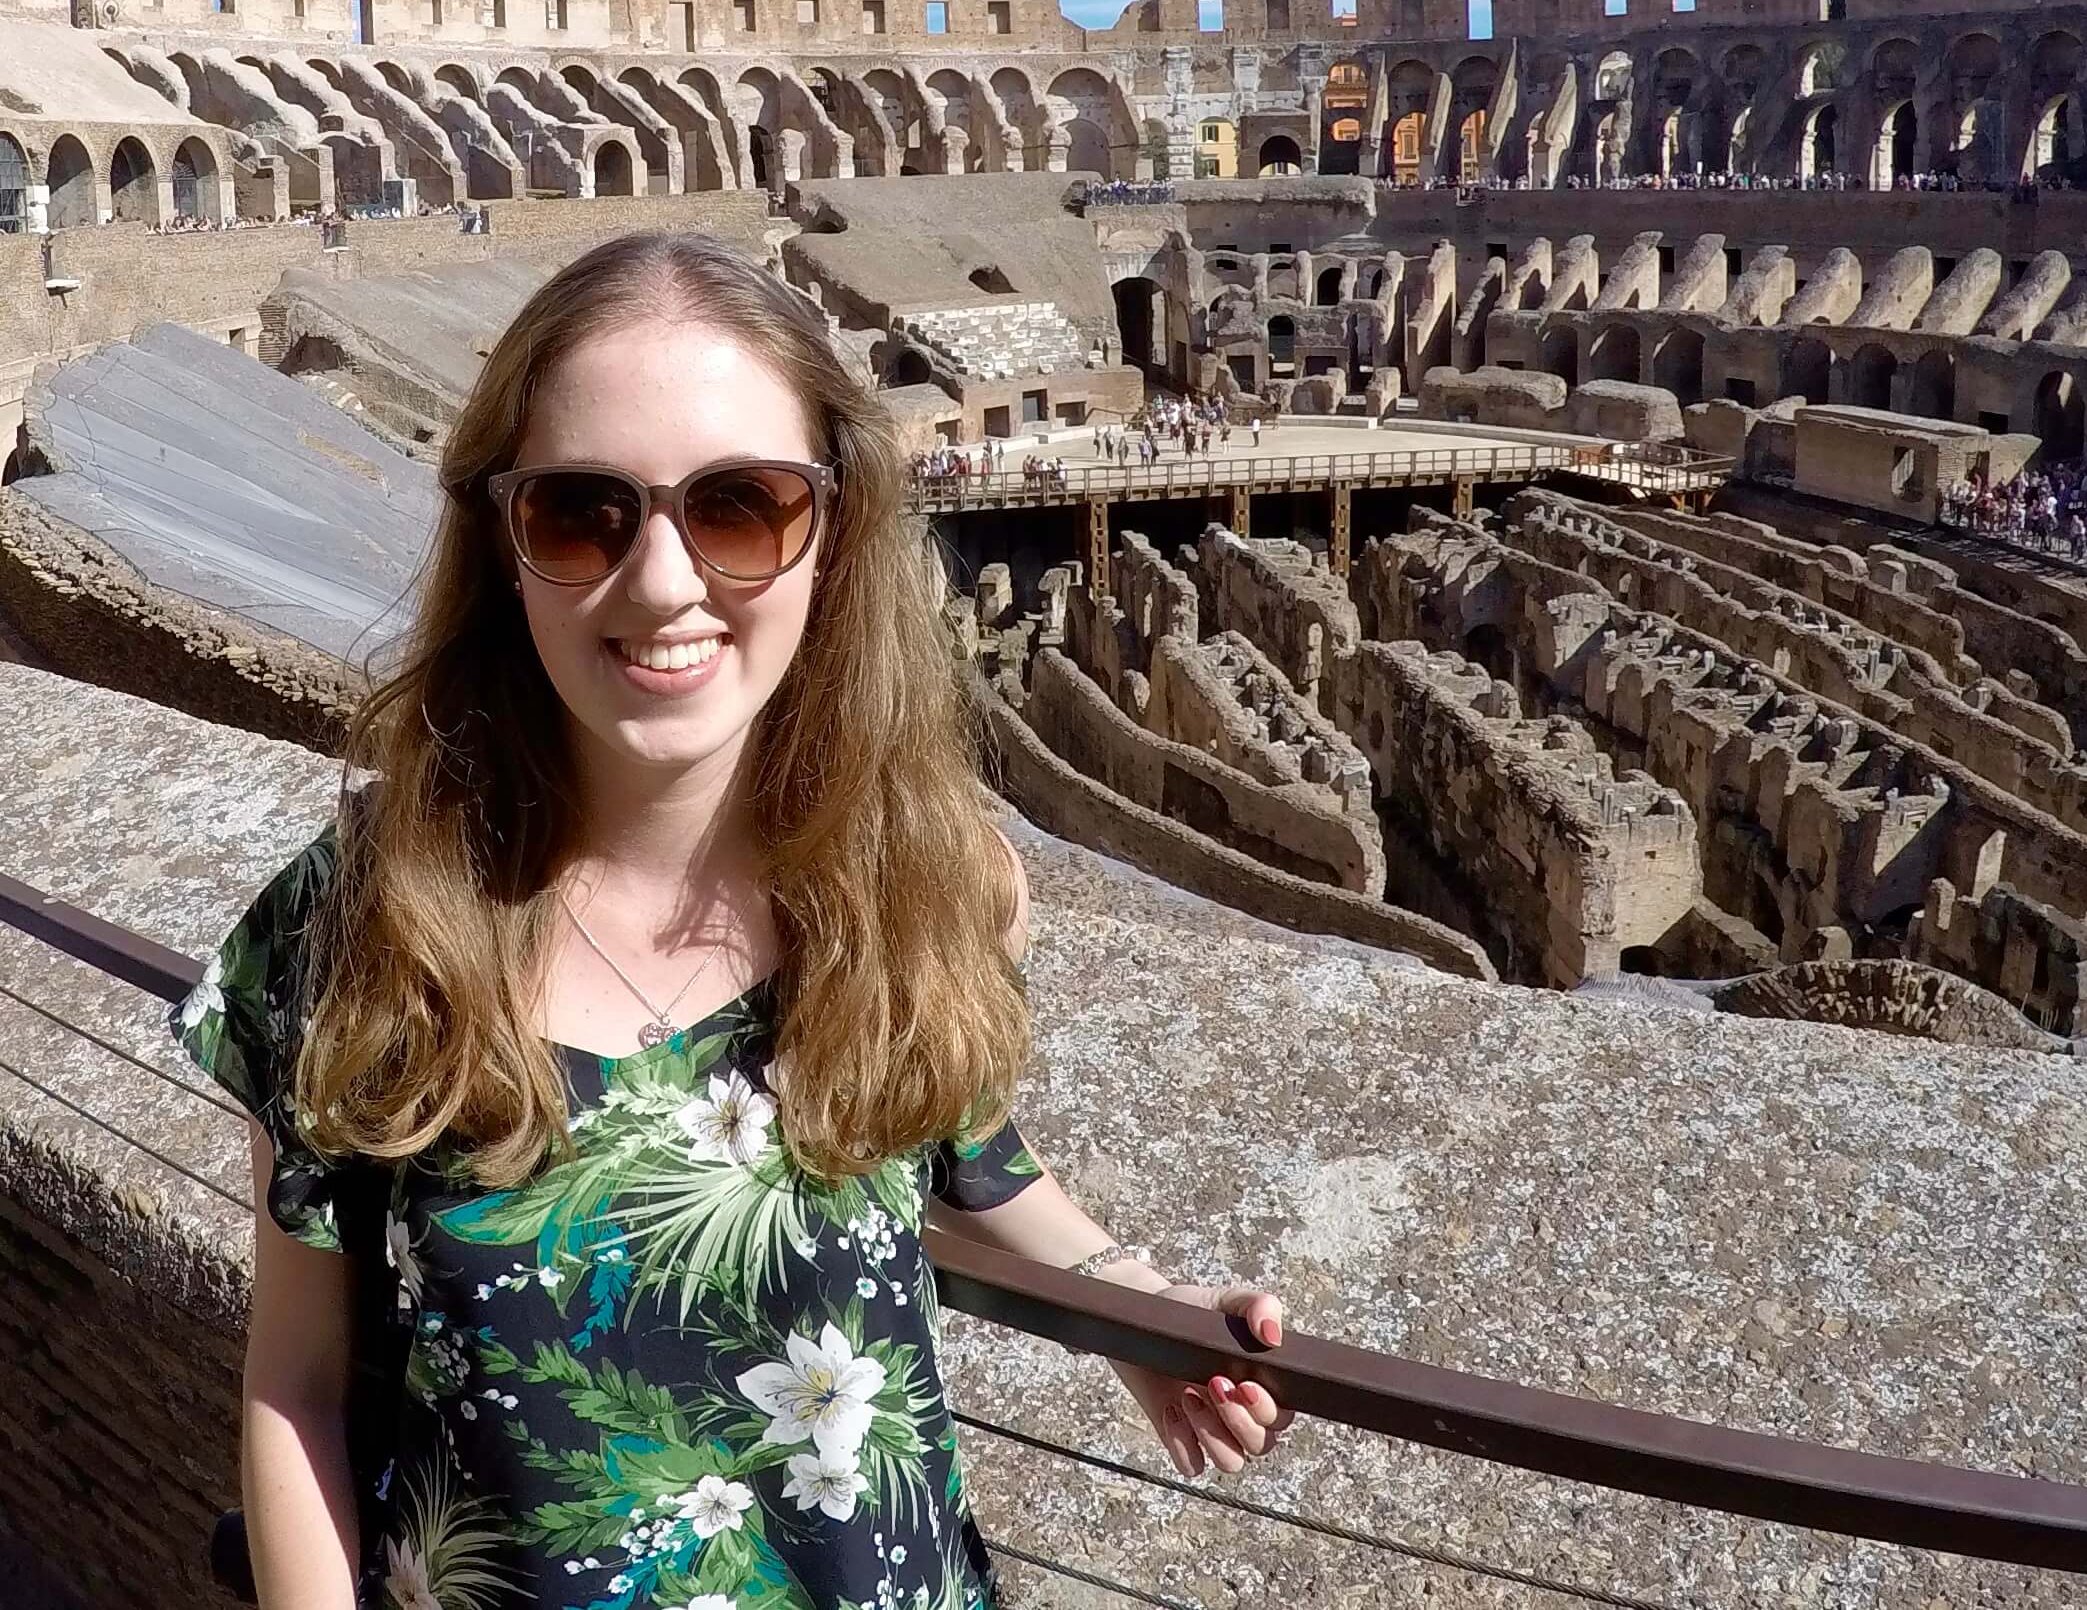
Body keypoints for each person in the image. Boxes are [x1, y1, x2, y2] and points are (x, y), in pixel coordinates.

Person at [172, 235, 1292, 1610]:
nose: (659, 583)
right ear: (500, 537)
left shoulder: (922, 880)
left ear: (833, 527)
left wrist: (1143, 1314)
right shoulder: (361, 921)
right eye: (582, 512)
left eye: (739, 507)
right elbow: (295, 1385)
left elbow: (965, 1156)